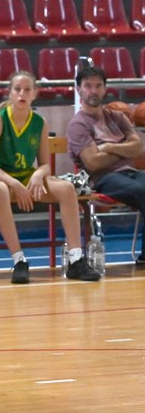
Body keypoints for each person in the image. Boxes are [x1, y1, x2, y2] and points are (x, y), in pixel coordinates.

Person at [0, 71, 97, 283]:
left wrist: (38, 175)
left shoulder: (39, 122)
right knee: (0, 190)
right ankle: (19, 260)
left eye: (27, 90)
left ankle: (76, 259)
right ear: (9, 92)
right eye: (17, 89)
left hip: (25, 176)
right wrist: (14, 183)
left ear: (35, 94)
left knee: (66, 188)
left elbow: (45, 164)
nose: (22, 94)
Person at [68, 65, 145, 265]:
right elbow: (93, 163)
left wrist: (109, 147)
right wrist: (124, 149)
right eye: (88, 86)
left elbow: (138, 148)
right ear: (79, 89)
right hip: (100, 179)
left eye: (98, 86)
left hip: (130, 172)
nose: (93, 90)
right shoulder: (78, 124)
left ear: (104, 89)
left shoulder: (117, 116)